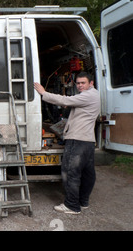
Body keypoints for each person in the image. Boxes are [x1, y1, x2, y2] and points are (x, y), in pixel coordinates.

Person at [34, 72, 100, 215]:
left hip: (78, 140)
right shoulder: (93, 95)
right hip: (88, 140)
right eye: (78, 83)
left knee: (70, 172)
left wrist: (44, 93)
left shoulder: (88, 95)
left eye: (83, 83)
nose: (80, 85)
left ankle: (71, 205)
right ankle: (83, 202)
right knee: (88, 173)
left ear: (91, 83)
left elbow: (65, 100)